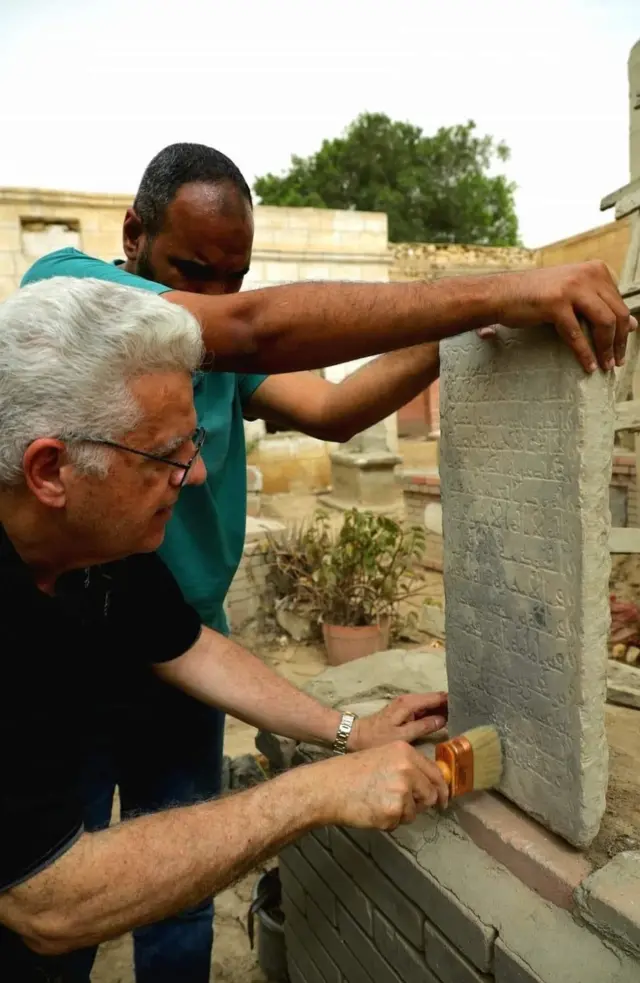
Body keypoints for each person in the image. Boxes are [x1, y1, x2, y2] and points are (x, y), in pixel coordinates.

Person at [22, 142, 638, 983]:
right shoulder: (75, 296)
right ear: (133, 234)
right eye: (192, 269)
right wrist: (498, 286)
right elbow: (48, 899)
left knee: (184, 880)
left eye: (231, 275)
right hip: (80, 661)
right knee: (63, 889)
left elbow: (331, 407)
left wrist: (458, 330)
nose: (194, 470)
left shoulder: (132, 570)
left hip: (182, 636)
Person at [0, 277, 452, 983]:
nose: (200, 471)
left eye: (196, 442)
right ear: (51, 469)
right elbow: (50, 899)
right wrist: (320, 790)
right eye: (167, 454)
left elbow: (189, 645)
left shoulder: (96, 544)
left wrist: (349, 733)